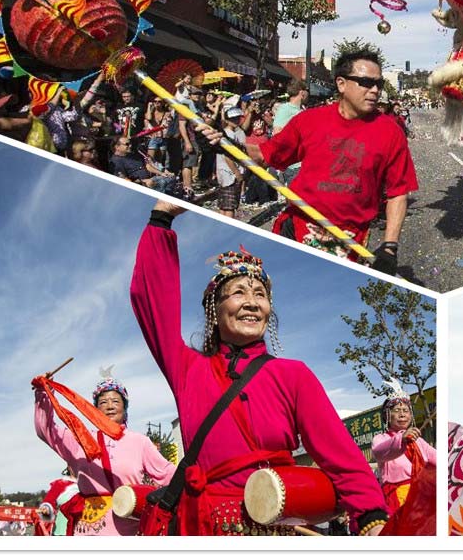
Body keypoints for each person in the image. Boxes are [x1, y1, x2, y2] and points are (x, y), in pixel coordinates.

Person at [129, 200, 389, 535]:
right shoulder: (188, 370)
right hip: (201, 527)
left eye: (260, 294)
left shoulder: (293, 375)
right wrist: (161, 219)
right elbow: (153, 303)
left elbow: (338, 452)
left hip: (270, 529)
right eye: (238, 293)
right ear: (215, 310)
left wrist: (370, 515)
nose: (252, 303)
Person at [203, 49, 419, 275]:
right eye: (365, 82)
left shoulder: (390, 132)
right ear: (342, 84)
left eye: (379, 83)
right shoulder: (309, 120)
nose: (375, 90)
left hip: (349, 241)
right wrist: (228, 144)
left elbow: (398, 192)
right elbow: (265, 155)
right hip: (298, 227)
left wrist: (390, 246)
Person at [32, 369, 175, 535]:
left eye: (116, 401)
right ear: (94, 409)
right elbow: (46, 430)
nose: (109, 406)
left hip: (128, 529)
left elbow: (168, 475)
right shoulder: (80, 438)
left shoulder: (139, 442)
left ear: (125, 408)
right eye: (103, 402)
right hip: (86, 530)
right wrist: (43, 393)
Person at [371, 382, 437, 517]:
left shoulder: (418, 440)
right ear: (387, 416)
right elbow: (379, 452)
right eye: (397, 411)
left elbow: (439, 459)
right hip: (398, 497)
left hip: (422, 495)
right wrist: (402, 439)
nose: (402, 415)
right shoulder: (381, 439)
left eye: (406, 411)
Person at [109, 135, 180, 196]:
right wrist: (143, 182)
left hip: (151, 179)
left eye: (130, 143)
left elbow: (147, 166)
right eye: (127, 144)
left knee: (171, 177)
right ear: (117, 147)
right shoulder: (116, 161)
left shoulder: (133, 155)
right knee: (162, 182)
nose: (130, 145)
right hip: (142, 185)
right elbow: (124, 181)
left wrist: (162, 173)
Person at [216, 107, 246, 219]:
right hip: (230, 175)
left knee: (223, 206)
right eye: (233, 119)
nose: (236, 120)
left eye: (237, 118)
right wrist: (237, 173)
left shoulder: (225, 134)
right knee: (229, 207)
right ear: (227, 120)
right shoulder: (229, 135)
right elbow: (228, 157)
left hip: (224, 173)